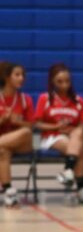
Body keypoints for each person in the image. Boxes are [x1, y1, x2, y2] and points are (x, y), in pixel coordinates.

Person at [34, 63, 83, 204]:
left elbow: (82, 124)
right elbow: (37, 123)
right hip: (52, 136)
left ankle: (68, 171)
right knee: (79, 148)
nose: (64, 84)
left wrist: (72, 130)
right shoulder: (45, 99)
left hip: (72, 136)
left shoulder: (78, 101)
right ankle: (81, 188)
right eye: (60, 81)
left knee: (78, 137)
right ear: (52, 81)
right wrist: (56, 126)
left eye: (67, 81)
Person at [0, 62, 34, 207]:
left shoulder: (26, 99)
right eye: (17, 75)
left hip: (22, 143)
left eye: (22, 75)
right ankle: (9, 192)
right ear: (7, 78)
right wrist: (3, 120)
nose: (21, 78)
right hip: (4, 143)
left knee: (26, 131)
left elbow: (31, 125)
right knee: (2, 151)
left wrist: (17, 121)